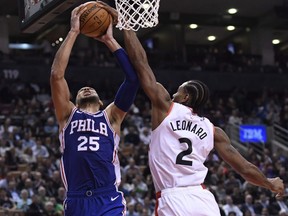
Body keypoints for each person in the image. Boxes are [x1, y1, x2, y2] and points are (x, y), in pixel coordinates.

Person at [113, 11, 285, 215]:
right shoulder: (214, 131)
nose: (174, 91)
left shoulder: (165, 107)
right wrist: (269, 183)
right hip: (203, 199)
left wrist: (126, 26)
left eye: (179, 89)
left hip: (173, 197)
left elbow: (141, 64)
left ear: (185, 97)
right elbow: (245, 168)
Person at [50, 2, 138, 216]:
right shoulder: (67, 114)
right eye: (81, 89)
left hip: (108, 197)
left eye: (90, 88)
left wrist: (110, 40)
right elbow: (56, 75)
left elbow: (132, 80)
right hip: (77, 199)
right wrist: (73, 32)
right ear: (75, 99)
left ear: (101, 103)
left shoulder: (111, 117)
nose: (87, 88)